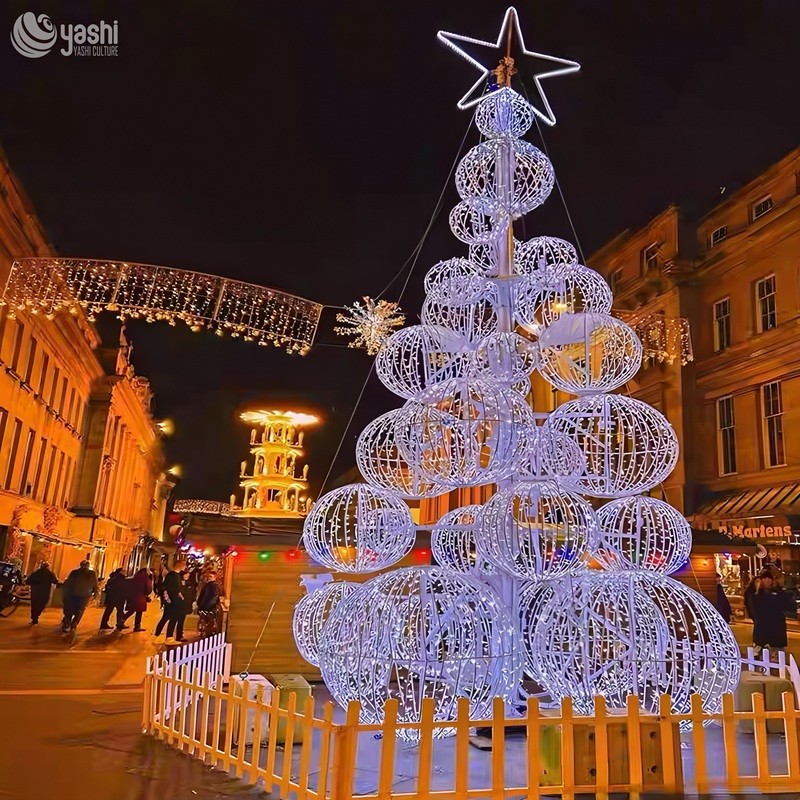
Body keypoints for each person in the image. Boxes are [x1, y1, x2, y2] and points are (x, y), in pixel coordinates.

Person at [751, 569, 795, 658]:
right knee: (763, 659)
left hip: (775, 631)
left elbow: (790, 608)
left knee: (776, 659)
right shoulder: (757, 594)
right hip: (764, 632)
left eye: (769, 578)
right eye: (765, 578)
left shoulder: (778, 593)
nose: (767, 580)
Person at [154, 560, 188, 642]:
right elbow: (169, 588)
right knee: (170, 618)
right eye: (184, 565)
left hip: (173, 601)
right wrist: (170, 599)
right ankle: (166, 636)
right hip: (172, 601)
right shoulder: (172, 575)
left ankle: (159, 634)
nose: (185, 567)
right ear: (179, 564)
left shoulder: (175, 575)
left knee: (167, 617)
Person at [61, 560, 99, 633]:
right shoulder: (92, 573)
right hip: (85, 594)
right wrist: (95, 593)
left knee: (69, 608)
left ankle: (67, 624)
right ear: (88, 566)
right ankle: (74, 623)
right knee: (80, 610)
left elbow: (69, 582)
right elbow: (95, 584)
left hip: (72, 593)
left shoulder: (74, 572)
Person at [196, 570, 220, 636]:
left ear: (215, 577)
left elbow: (209, 597)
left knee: (207, 622)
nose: (209, 578)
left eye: (211, 576)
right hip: (209, 606)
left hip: (207, 607)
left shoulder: (211, 586)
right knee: (207, 622)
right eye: (208, 576)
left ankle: (206, 635)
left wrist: (203, 606)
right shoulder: (211, 585)